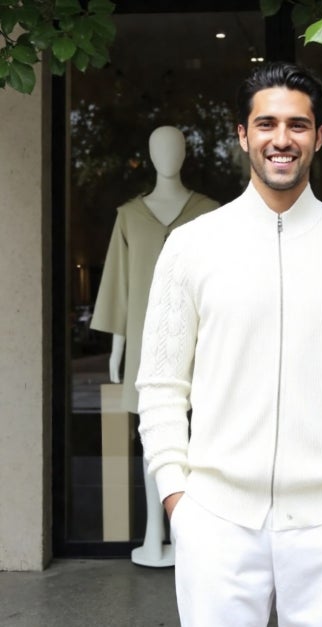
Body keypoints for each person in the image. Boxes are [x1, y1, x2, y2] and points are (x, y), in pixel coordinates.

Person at [136, 63, 322, 625]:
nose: (281, 139)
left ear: (319, 136)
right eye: (266, 124)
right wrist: (177, 501)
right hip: (216, 521)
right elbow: (162, 384)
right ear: (243, 135)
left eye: (297, 125)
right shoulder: (190, 248)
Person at [90, 125, 219, 567]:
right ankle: (152, 532)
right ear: (149, 155)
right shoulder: (129, 217)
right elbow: (120, 287)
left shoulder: (209, 214)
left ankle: (188, 536)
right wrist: (117, 349)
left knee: (197, 439)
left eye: (175, 147)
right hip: (148, 347)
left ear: (185, 154)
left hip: (201, 345)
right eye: (159, 148)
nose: (168, 155)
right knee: (154, 440)